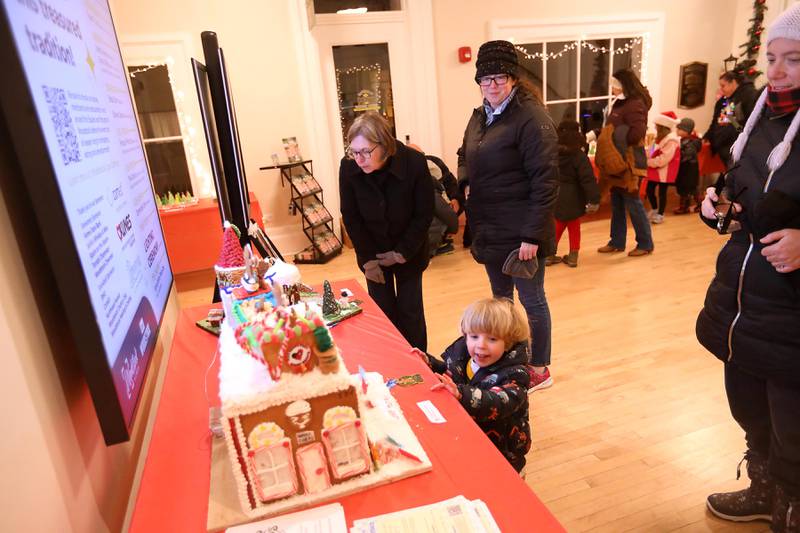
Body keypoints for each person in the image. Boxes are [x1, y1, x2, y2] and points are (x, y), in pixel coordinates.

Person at [697, 5, 800, 530]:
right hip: (743, 302)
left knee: (794, 428)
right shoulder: (763, 119)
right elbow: (743, 193)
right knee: (750, 409)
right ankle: (765, 490)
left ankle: (791, 508)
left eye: (794, 60)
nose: (777, 71)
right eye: (772, 58)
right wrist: (717, 207)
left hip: (790, 314)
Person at [456, 40, 559, 392]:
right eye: (485, 79)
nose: (493, 86)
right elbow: (462, 154)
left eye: (500, 77)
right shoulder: (480, 116)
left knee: (532, 301)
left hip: (521, 232)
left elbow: (546, 180)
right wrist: (466, 181)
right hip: (491, 227)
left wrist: (532, 235)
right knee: (501, 302)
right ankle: (508, 359)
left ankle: (540, 367)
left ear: (513, 78)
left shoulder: (531, 118)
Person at [339, 111, 434, 351]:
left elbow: (423, 213)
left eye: (365, 152)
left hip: (409, 250)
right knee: (382, 312)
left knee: (410, 311)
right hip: (373, 251)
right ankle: (393, 361)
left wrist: (402, 252)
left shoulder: (413, 162)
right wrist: (369, 260)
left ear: (385, 146)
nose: (359, 159)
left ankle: (419, 363)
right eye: (354, 151)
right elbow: (351, 216)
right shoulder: (349, 166)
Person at [411, 298, 531, 473]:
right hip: (472, 437)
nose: (480, 345)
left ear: (508, 343)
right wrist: (429, 363)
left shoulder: (516, 374)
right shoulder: (463, 356)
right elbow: (450, 371)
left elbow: (499, 401)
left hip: (504, 450)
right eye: (474, 336)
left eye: (492, 339)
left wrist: (461, 394)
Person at [593, 68, 655, 256]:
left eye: (614, 85)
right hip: (616, 161)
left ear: (622, 86)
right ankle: (617, 241)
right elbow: (611, 127)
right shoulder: (620, 104)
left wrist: (610, 138)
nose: (611, 88)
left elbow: (637, 133)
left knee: (634, 203)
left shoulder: (635, 104)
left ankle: (645, 244)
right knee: (617, 202)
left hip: (629, 163)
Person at [546, 120, 600, 268]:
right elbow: (588, 179)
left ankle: (549, 255)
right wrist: (594, 199)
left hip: (556, 194)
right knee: (574, 226)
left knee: (557, 225)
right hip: (574, 196)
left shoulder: (552, 154)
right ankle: (573, 256)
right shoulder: (579, 156)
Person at [703, 70, 759, 169]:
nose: (721, 89)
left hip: (736, 146)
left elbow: (748, 124)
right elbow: (716, 120)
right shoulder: (725, 100)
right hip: (724, 145)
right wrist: (708, 135)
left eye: (723, 86)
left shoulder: (748, 95)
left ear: (733, 82)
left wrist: (732, 123)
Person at [645, 111, 681, 224]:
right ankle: (655, 209)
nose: (655, 127)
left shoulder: (671, 141)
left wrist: (648, 162)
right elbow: (651, 151)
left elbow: (664, 159)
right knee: (649, 190)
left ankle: (660, 214)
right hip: (655, 169)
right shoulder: (658, 138)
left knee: (662, 193)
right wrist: (646, 155)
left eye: (657, 126)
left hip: (664, 171)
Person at [673, 118, 702, 214]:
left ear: (686, 131)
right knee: (688, 188)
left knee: (687, 188)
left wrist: (678, 156)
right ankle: (688, 206)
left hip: (689, 169)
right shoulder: (685, 141)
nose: (677, 130)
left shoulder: (690, 143)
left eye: (679, 129)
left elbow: (687, 155)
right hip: (687, 168)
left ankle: (688, 206)